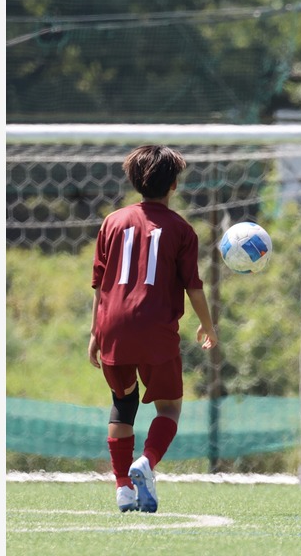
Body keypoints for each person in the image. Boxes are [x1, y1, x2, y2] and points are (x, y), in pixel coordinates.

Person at [88, 145, 218, 513]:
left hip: (112, 327)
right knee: (170, 408)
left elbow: (100, 284)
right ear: (174, 184)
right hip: (156, 330)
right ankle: (146, 462)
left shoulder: (112, 222)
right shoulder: (181, 229)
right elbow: (194, 286)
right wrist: (207, 326)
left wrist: (95, 334)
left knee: (123, 403)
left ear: (134, 181)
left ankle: (123, 489)